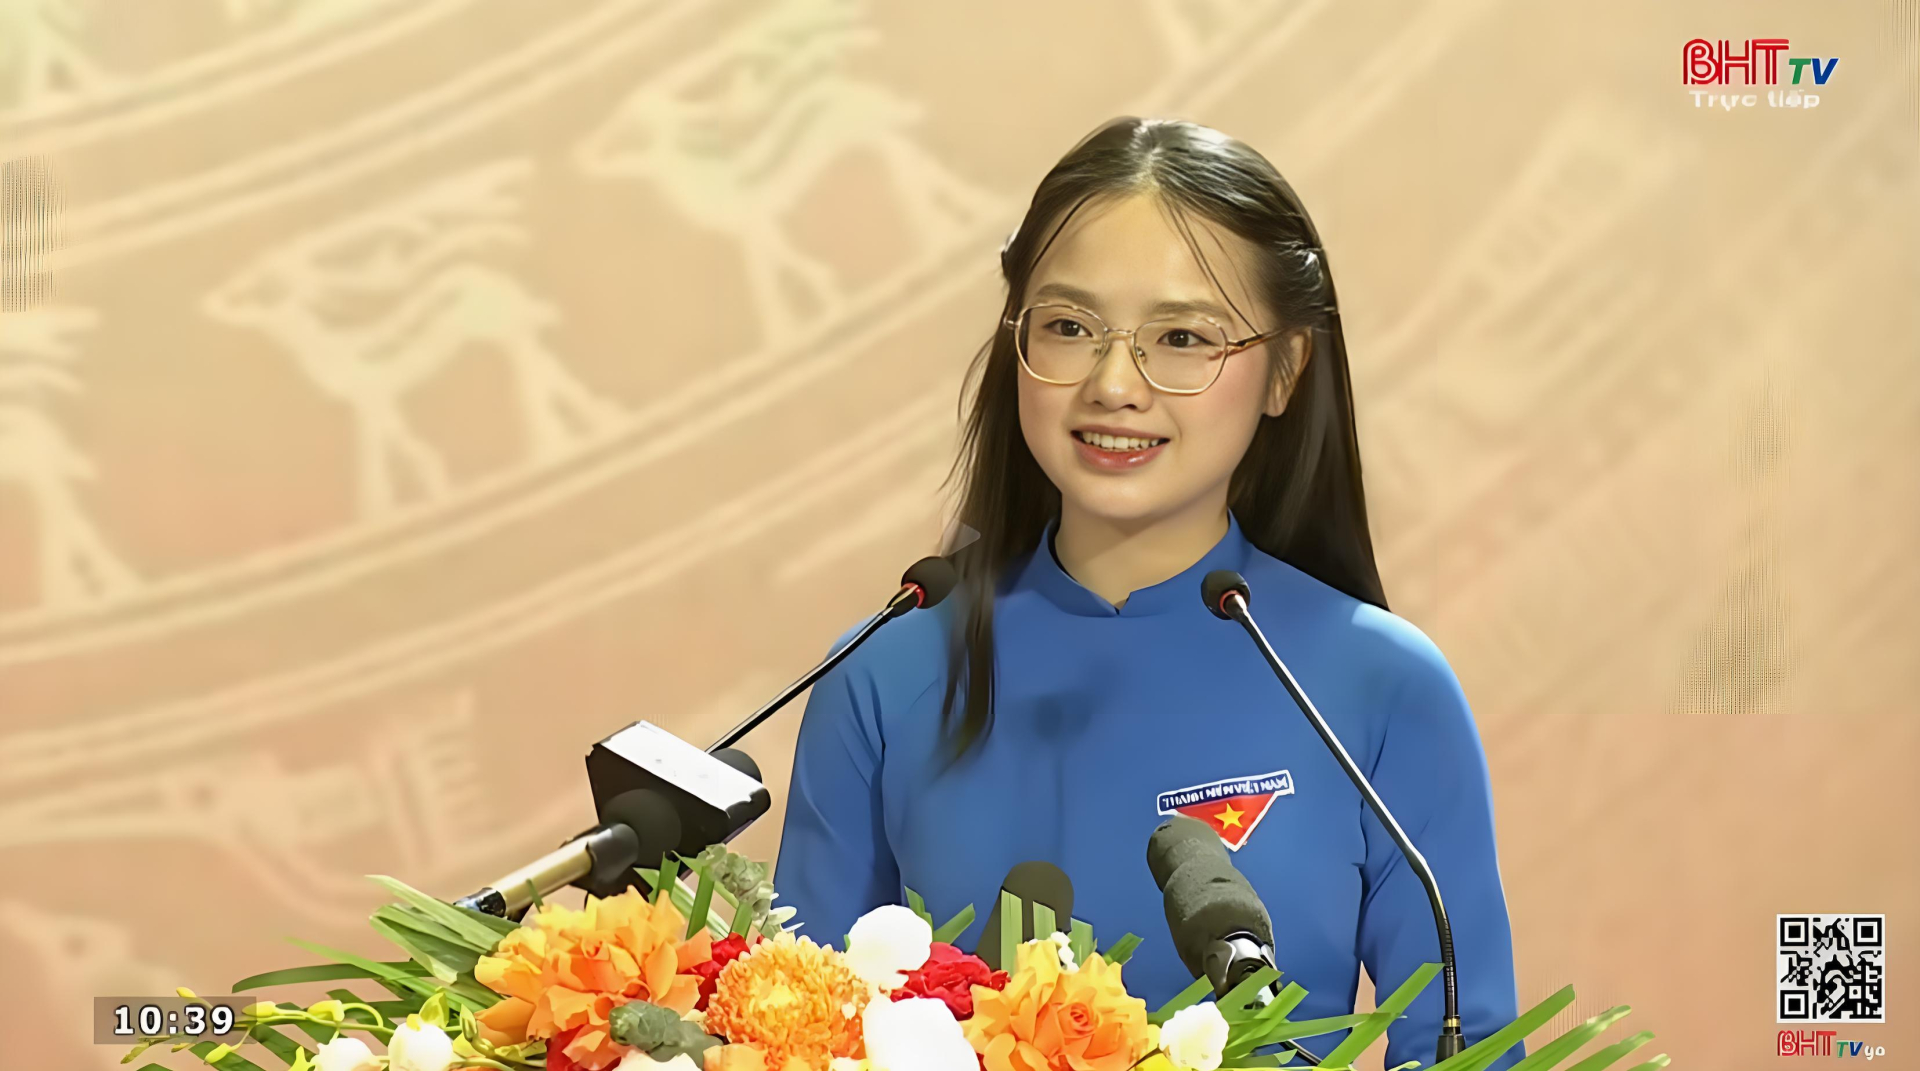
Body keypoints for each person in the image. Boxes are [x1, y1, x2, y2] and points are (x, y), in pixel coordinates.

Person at [774, 116, 1523, 1069]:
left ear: (1286, 369)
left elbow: (1464, 1046)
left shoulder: (1380, 685)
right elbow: (796, 1027)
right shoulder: (885, 674)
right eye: (1068, 327)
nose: (1114, 383)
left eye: (1181, 338)